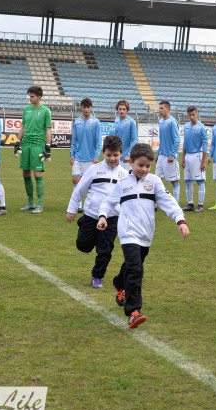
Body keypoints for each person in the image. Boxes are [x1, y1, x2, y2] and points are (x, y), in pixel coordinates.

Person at [97, 143, 189, 328]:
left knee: (134, 265)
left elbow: (168, 201)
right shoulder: (123, 184)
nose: (144, 169)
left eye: (148, 166)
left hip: (146, 235)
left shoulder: (154, 182)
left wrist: (180, 220)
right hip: (127, 233)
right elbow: (108, 202)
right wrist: (103, 216)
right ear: (131, 162)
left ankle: (119, 282)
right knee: (136, 270)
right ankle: (133, 311)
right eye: (140, 165)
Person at [66, 135, 128, 289]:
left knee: (105, 250)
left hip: (112, 217)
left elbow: (127, 197)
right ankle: (90, 233)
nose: (112, 158)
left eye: (115, 155)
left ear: (121, 153)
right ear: (103, 153)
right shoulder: (94, 169)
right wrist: (72, 209)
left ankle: (97, 276)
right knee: (83, 245)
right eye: (109, 155)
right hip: (91, 215)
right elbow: (79, 190)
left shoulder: (125, 174)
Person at [14, 85, 52, 214]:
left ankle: (40, 204)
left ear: (39, 97)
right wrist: (18, 142)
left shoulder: (45, 111)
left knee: (37, 174)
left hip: (37, 145)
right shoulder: (26, 109)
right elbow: (23, 127)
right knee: (25, 172)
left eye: (32, 96)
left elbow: (48, 129)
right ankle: (30, 202)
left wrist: (48, 146)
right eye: (29, 96)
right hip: (26, 144)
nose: (30, 98)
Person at [70, 98, 102, 212]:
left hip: (90, 158)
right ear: (81, 108)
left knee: (90, 184)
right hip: (78, 157)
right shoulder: (77, 122)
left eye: (88, 107)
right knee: (75, 179)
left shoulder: (96, 122)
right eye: (84, 107)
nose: (86, 109)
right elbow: (74, 140)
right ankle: (78, 205)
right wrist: (71, 154)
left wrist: (96, 156)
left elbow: (98, 141)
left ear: (91, 108)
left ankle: (91, 205)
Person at [181, 106, 208, 212]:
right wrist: (183, 158)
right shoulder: (186, 126)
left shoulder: (201, 127)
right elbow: (185, 143)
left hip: (197, 156)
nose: (192, 117)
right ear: (187, 115)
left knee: (200, 181)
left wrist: (204, 161)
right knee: (187, 181)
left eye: (193, 114)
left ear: (197, 114)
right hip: (187, 156)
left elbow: (205, 145)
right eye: (190, 115)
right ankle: (190, 204)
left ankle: (200, 205)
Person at [155, 100, 181, 203]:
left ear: (168, 109)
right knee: (156, 180)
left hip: (170, 156)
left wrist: (172, 154)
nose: (160, 110)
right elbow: (162, 139)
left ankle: (175, 204)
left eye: (162, 108)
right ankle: (155, 202)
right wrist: (158, 153)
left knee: (174, 181)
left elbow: (177, 140)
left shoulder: (172, 122)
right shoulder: (161, 121)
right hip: (161, 155)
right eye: (159, 108)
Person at [114, 100, 138, 172]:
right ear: (117, 109)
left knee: (126, 177)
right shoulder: (116, 120)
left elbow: (134, 139)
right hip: (117, 155)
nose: (122, 111)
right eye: (120, 109)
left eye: (124, 109)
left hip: (126, 158)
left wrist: (129, 155)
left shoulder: (131, 122)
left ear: (127, 110)